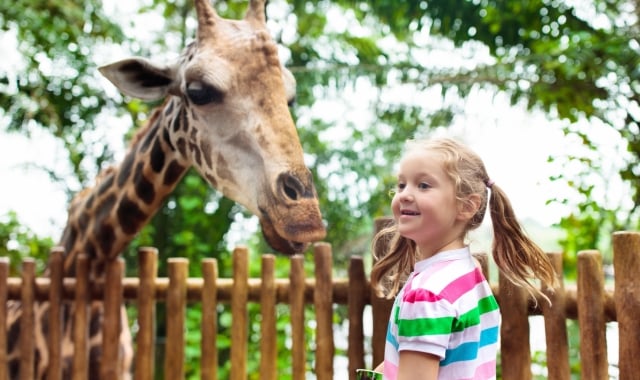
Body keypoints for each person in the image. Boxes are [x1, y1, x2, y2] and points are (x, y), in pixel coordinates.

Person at [370, 137, 557, 380]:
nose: (405, 194)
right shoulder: (468, 275)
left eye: (423, 185)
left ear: (466, 207)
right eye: (402, 185)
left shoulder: (426, 295)